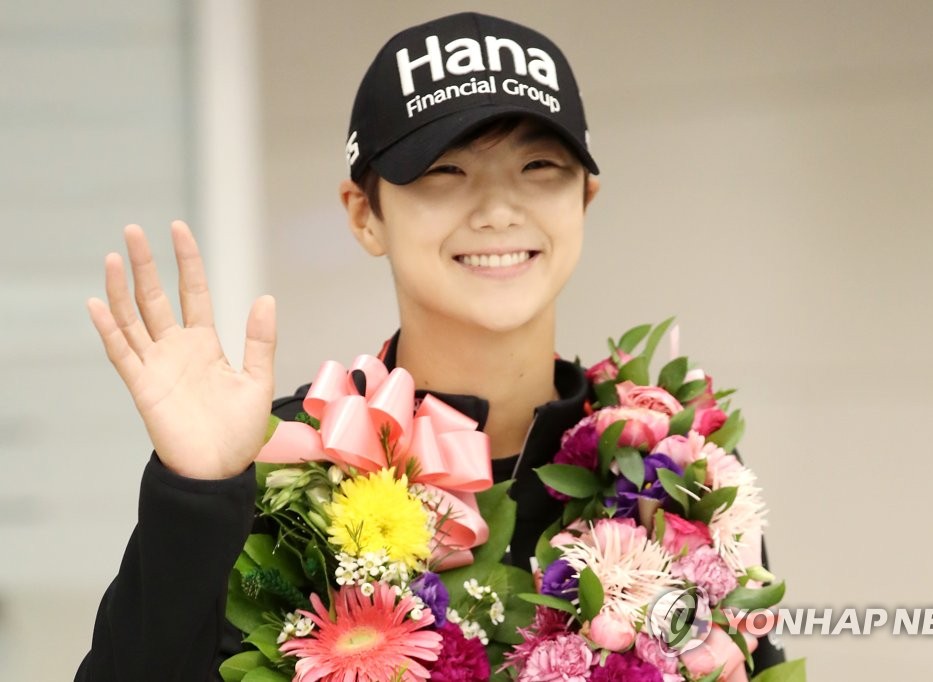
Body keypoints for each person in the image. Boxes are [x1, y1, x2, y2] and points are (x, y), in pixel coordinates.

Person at [76, 11, 784, 680]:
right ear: (365, 215)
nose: (499, 210)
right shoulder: (276, 472)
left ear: (584, 201)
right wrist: (196, 494)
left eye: (540, 167)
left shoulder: (669, 475)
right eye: (445, 171)